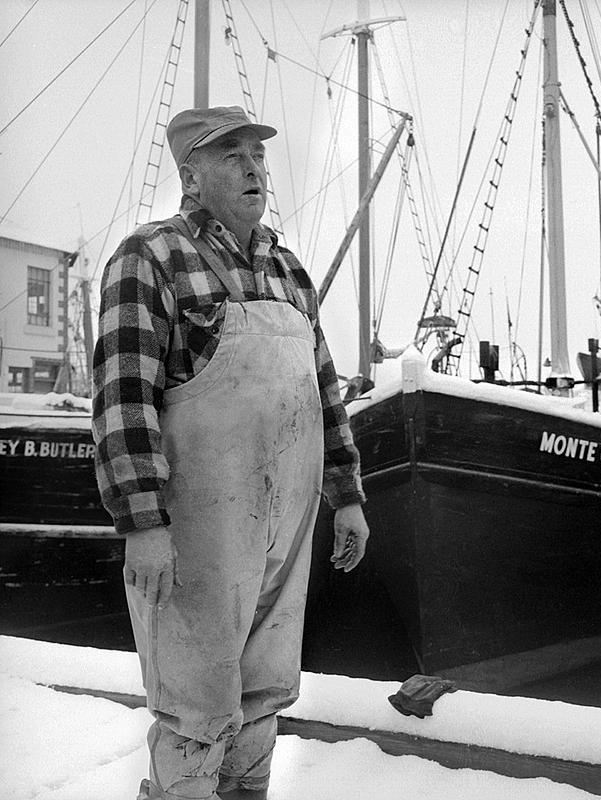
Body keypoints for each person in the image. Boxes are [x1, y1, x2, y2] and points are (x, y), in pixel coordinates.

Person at [92, 105, 369, 800]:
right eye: (231, 155)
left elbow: (325, 392)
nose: (253, 167)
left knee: (264, 695)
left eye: (258, 155)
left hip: (284, 524)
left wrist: (349, 497)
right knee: (195, 703)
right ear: (190, 174)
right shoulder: (149, 256)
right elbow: (124, 399)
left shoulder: (289, 269)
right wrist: (145, 526)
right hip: (196, 530)